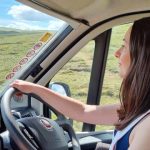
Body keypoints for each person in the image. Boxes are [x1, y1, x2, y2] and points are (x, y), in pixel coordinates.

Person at [10, 17, 150, 150]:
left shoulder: (147, 127)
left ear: (143, 57)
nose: (117, 53)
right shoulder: (136, 108)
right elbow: (83, 111)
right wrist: (35, 89)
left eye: (124, 46)